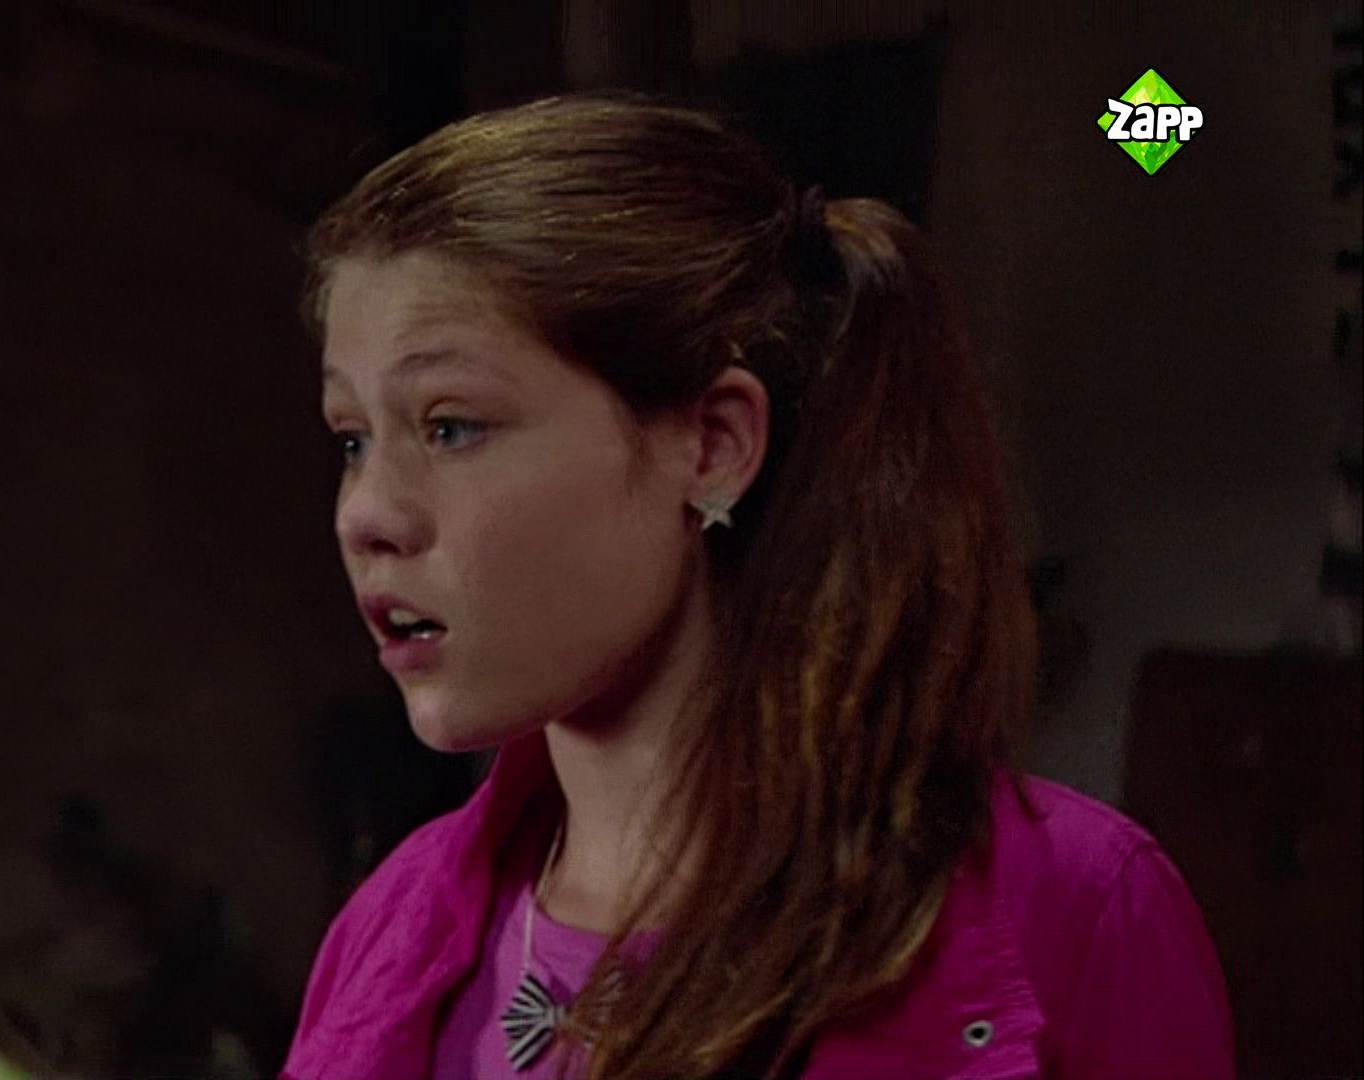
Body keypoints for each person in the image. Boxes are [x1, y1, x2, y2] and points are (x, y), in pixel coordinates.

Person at [284, 92, 1234, 1080]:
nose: (366, 515)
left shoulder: (1077, 910)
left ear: (713, 444)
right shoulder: (386, 930)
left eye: (451, 427)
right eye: (353, 440)